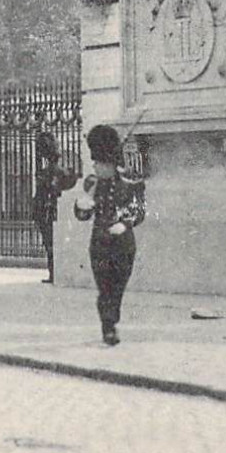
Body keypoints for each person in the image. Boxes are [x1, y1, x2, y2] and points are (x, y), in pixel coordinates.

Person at [73, 124, 147, 346]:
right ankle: (109, 327)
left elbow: (139, 209)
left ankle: (111, 320)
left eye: (99, 163)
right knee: (104, 287)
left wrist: (125, 224)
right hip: (100, 244)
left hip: (123, 244)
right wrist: (81, 206)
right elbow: (83, 214)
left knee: (118, 287)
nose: (95, 166)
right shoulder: (92, 183)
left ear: (110, 164)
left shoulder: (130, 184)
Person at [32, 131, 79, 284]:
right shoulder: (61, 172)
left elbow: (44, 195)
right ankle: (54, 273)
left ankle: (54, 273)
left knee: (50, 244)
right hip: (52, 211)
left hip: (48, 212)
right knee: (52, 244)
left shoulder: (49, 174)